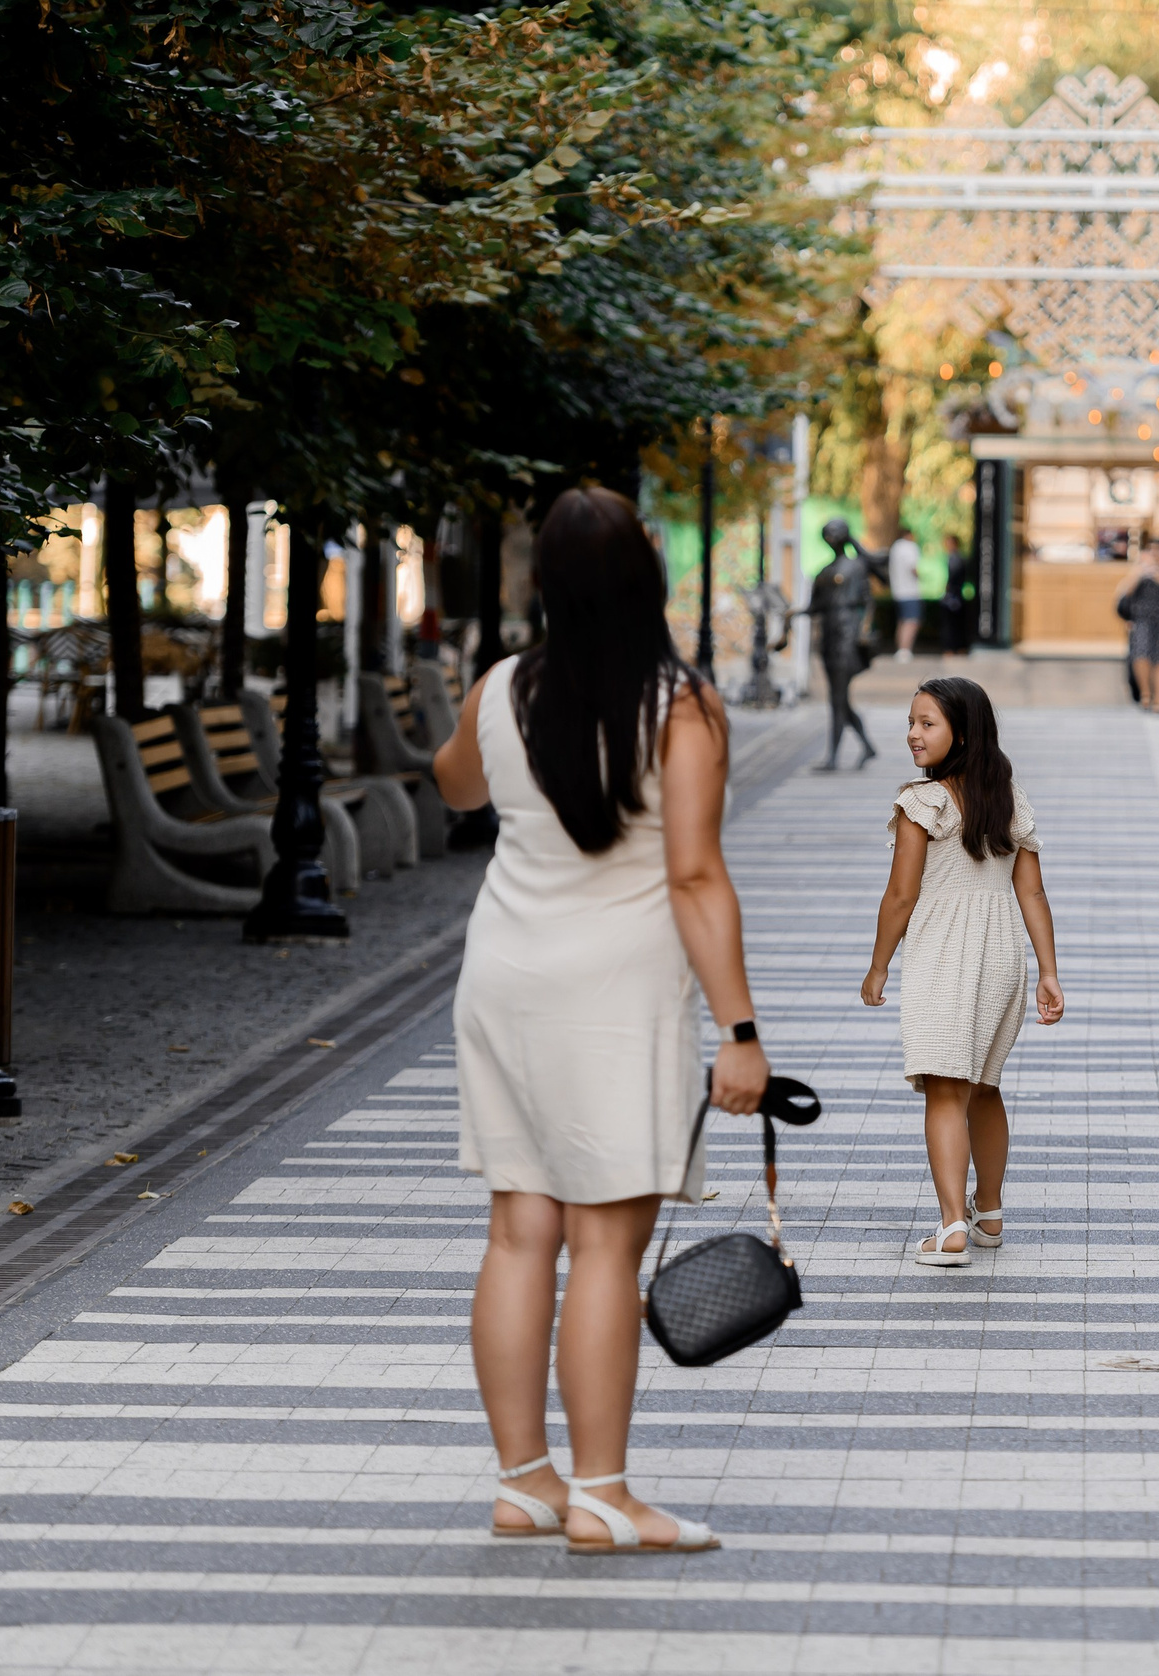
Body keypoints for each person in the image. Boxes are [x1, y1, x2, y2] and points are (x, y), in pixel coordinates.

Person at [432, 485, 770, 1557]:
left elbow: (453, 784)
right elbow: (694, 873)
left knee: (518, 1227)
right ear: (647, 577)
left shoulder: (501, 686)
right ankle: (605, 1493)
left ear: (545, 582)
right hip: (612, 994)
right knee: (605, 1248)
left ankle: (524, 1481)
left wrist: (480, 722)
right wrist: (741, 1029)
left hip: (502, 975)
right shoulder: (678, 704)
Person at [860, 677, 1064, 1266]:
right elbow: (1032, 893)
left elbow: (900, 895)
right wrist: (1048, 971)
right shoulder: (1009, 799)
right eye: (912, 722)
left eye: (928, 723)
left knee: (945, 1090)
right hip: (1003, 956)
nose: (913, 734)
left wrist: (878, 966)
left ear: (963, 734)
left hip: (945, 956)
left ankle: (951, 1227)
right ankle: (989, 1213)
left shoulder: (921, 803)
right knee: (983, 1086)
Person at [802, 517, 877, 771]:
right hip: (829, 636)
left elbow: (868, 601)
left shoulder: (856, 567)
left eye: (834, 534)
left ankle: (833, 757)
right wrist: (793, 613)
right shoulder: (824, 572)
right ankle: (867, 746)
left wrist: (864, 630)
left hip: (847, 635)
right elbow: (815, 606)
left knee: (837, 697)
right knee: (839, 698)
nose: (830, 540)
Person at [1116, 544, 1159, 713]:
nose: (1154, 554)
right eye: (1151, 550)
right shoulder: (1138, 568)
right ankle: (1145, 694)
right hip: (1141, 618)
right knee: (1140, 654)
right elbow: (1125, 591)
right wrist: (1140, 572)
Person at [890, 529, 923, 661]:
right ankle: (905, 650)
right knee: (912, 621)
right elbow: (912, 568)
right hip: (910, 591)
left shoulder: (895, 548)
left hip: (898, 591)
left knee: (902, 621)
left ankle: (900, 649)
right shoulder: (910, 547)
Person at [940, 532, 976, 655]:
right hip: (955, 596)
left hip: (954, 596)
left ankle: (953, 647)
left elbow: (954, 578)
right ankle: (956, 647)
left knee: (953, 624)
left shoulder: (956, 558)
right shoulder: (953, 558)